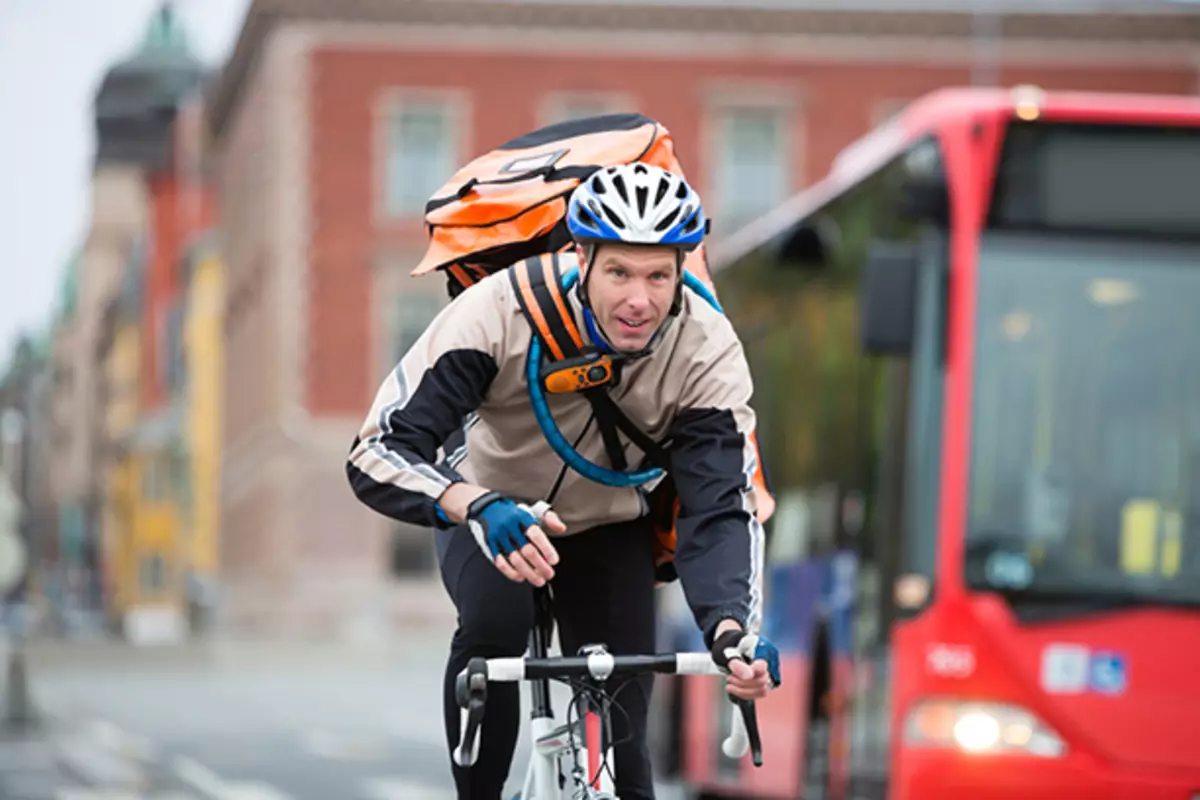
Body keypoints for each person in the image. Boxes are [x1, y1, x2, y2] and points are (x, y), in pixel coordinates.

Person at [346, 162, 780, 800]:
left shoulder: (706, 347)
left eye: (660, 275)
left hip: (609, 525)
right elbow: (376, 450)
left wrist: (731, 633)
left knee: (628, 754)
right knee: (494, 632)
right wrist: (473, 505)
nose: (641, 299)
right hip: (492, 515)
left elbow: (719, 505)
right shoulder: (501, 310)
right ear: (582, 258)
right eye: (620, 272)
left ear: (682, 269)